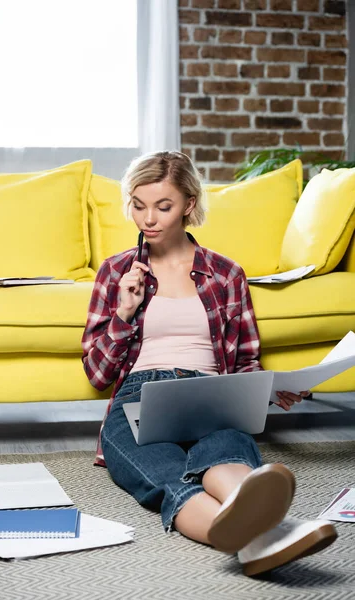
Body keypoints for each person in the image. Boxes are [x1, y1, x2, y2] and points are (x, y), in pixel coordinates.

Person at [81, 151, 337, 577]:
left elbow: (245, 361)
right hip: (139, 396)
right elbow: (96, 374)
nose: (149, 218)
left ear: (189, 205)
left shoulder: (225, 274)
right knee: (166, 473)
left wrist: (271, 387)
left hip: (210, 390)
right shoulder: (116, 272)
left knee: (225, 447)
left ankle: (254, 531)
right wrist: (124, 312)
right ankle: (268, 534)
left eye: (163, 206)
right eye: (139, 205)